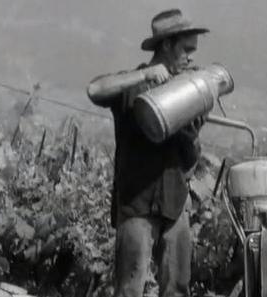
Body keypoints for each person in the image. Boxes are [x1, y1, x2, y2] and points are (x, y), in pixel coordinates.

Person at [86, 9, 210, 297]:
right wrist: (143, 74)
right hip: (137, 203)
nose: (191, 57)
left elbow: (190, 159)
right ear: (166, 45)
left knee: (178, 288)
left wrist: (192, 136)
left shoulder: (187, 92)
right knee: (130, 289)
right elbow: (94, 89)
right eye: (186, 49)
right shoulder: (132, 85)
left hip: (175, 203)